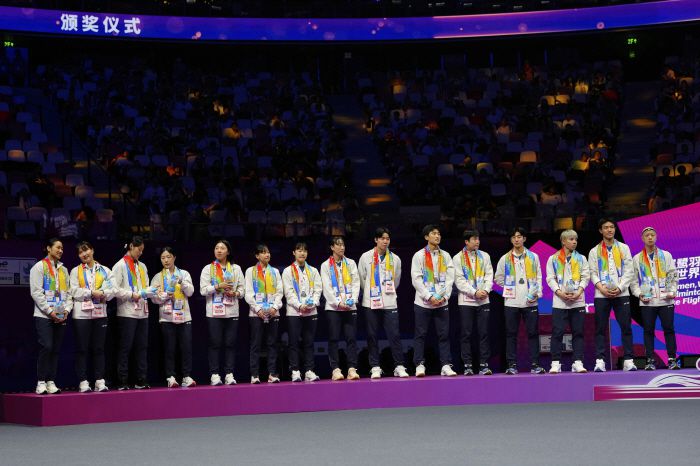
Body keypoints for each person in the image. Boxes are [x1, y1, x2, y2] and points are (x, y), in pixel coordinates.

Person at [358, 227, 408, 379]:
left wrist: (386, 292)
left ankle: (399, 365)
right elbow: (362, 279)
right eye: (382, 238)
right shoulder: (365, 257)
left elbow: (396, 280)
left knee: (394, 334)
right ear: (376, 240)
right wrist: (372, 292)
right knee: (372, 335)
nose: (385, 241)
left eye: (387, 238)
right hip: (371, 302)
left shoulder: (396, 259)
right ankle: (375, 366)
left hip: (389, 301)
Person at [495, 227, 545, 375]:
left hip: (531, 301)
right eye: (514, 237)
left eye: (519, 236)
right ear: (511, 240)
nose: (516, 239)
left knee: (533, 334)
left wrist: (538, 293)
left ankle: (535, 365)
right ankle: (511, 365)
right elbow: (498, 278)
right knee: (511, 334)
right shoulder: (505, 258)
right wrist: (509, 287)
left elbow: (539, 277)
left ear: (524, 239)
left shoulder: (533, 256)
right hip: (511, 302)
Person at [588, 218, 636, 372]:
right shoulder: (594, 251)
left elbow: (629, 271)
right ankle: (600, 361)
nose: (609, 230)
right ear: (600, 231)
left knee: (626, 327)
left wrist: (620, 287)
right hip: (601, 295)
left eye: (612, 227)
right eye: (606, 227)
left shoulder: (623, 248)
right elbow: (592, 272)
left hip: (621, 294)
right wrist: (601, 288)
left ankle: (628, 359)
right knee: (600, 328)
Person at [630, 227, 680, 370]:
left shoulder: (666, 255)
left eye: (652, 235)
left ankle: (672, 359)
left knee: (669, 329)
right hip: (648, 301)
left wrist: (672, 291)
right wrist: (639, 294)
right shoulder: (637, 258)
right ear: (643, 238)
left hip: (666, 300)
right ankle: (650, 360)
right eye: (647, 235)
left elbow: (672, 274)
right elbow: (633, 281)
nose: (650, 237)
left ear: (656, 237)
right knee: (648, 330)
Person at [411, 224, 457, 377]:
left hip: (441, 301)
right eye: (433, 233)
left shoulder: (446, 256)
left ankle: (445, 365)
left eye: (438, 233)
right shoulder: (419, 256)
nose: (437, 236)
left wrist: (444, 297)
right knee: (420, 334)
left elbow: (450, 279)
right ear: (426, 237)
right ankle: (419, 364)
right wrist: (429, 296)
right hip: (423, 302)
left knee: (444, 335)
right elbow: (416, 279)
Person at [69, 241, 115, 393]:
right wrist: (90, 293)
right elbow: (74, 291)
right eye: (81, 252)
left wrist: (103, 294)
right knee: (82, 349)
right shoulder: (75, 271)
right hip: (81, 315)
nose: (84, 254)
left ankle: (99, 381)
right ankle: (83, 381)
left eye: (86, 250)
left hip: (100, 313)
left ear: (92, 250)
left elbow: (113, 290)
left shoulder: (105, 270)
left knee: (99, 348)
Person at [30, 238, 73, 394]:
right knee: (46, 346)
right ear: (48, 248)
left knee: (55, 349)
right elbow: (36, 292)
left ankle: (51, 381)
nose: (61, 250)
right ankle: (40, 381)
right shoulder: (39, 267)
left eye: (62, 248)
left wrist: (66, 310)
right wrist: (50, 311)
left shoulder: (64, 270)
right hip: (44, 315)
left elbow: (68, 293)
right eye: (57, 247)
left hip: (61, 315)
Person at [113, 236, 156, 390]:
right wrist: (132, 295)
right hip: (127, 312)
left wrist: (150, 292)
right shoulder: (119, 265)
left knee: (142, 347)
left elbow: (146, 286)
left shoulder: (143, 266)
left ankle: (141, 379)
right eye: (139, 250)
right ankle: (122, 380)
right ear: (131, 246)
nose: (141, 253)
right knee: (125, 347)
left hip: (143, 312)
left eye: (142, 250)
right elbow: (115, 289)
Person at [200, 239, 244, 386]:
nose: (219, 250)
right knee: (215, 343)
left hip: (232, 311)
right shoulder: (208, 269)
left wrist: (235, 293)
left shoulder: (236, 269)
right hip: (214, 312)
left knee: (230, 344)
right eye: (216, 248)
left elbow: (243, 290)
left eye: (222, 248)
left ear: (228, 252)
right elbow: (203, 290)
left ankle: (229, 374)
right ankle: (214, 374)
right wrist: (218, 286)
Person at [545, 230, 590, 374]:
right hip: (560, 301)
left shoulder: (582, 258)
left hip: (578, 300)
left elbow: (585, 277)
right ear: (563, 241)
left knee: (578, 332)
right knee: (557, 332)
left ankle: (577, 362)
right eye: (571, 239)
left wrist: (578, 292)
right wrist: (559, 292)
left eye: (576, 239)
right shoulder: (553, 258)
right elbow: (550, 278)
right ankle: (555, 363)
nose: (574, 242)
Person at [151, 247, 196, 388]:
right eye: (163, 257)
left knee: (186, 348)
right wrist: (164, 296)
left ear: (174, 257)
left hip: (184, 316)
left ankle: (186, 377)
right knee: (169, 349)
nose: (166, 260)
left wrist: (181, 283)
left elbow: (191, 292)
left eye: (168, 257)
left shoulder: (184, 274)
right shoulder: (158, 277)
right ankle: (170, 377)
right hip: (167, 317)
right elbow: (153, 299)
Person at [453, 229, 494, 376]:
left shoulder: (485, 256)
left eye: (478, 239)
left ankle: (484, 364)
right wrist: (474, 292)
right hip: (466, 301)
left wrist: (485, 290)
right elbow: (459, 280)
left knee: (483, 333)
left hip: (484, 299)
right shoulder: (457, 258)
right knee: (466, 333)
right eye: (474, 239)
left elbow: (489, 275)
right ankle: (468, 365)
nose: (477, 241)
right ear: (466, 242)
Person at [321, 236, 361, 381]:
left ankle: (351, 368)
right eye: (338, 245)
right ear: (332, 248)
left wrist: (352, 300)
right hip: (333, 308)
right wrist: (338, 303)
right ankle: (336, 369)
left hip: (350, 306)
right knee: (334, 338)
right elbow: (326, 287)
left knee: (351, 338)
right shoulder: (325, 265)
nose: (342, 247)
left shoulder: (350, 263)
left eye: (343, 244)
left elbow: (356, 283)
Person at [282, 242, 323, 382]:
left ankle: (309, 370)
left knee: (309, 342)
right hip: (294, 312)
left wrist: (313, 303)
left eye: (305, 250)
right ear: (294, 253)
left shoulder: (313, 271)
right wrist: (300, 305)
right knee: (293, 342)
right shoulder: (288, 271)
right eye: (299, 250)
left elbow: (318, 289)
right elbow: (288, 292)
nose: (302, 253)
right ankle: (295, 371)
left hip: (311, 311)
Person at [244, 244, 284, 384]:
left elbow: (280, 292)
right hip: (256, 314)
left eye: (268, 252)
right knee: (255, 344)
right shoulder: (250, 271)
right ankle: (254, 374)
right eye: (263, 252)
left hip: (273, 312)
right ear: (257, 256)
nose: (267, 255)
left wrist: (274, 307)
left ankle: (272, 373)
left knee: (272, 344)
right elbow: (248, 293)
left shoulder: (275, 272)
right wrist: (258, 309)